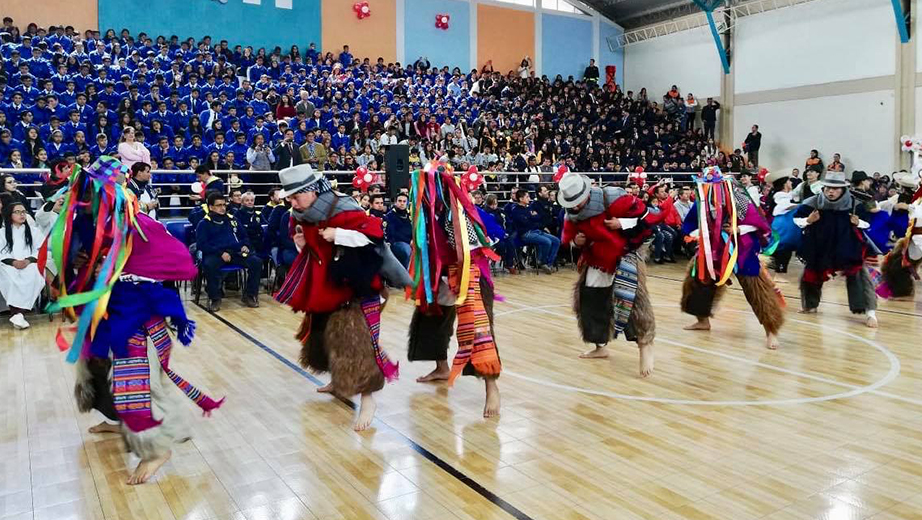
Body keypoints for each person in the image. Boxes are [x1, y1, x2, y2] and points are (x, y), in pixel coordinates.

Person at [45, 156, 222, 485]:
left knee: (141, 384)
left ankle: (157, 447)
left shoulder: (139, 225)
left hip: (136, 316)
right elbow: (72, 257)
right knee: (94, 371)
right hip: (103, 313)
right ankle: (118, 421)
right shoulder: (88, 224)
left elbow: (180, 264)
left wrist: (119, 272)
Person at [274, 164, 406, 431]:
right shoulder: (300, 212)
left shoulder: (343, 207)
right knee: (322, 333)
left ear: (310, 191)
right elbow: (300, 237)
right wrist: (300, 241)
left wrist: (339, 235)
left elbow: (374, 237)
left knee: (356, 341)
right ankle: (336, 379)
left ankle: (368, 398)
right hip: (324, 284)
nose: (291, 201)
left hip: (354, 285)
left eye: (294, 195)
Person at [405, 162, 502, 418]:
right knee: (431, 315)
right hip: (442, 274)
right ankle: (440, 366)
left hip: (470, 273)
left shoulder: (457, 212)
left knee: (478, 326)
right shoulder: (425, 213)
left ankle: (491, 386)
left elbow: (475, 247)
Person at [557, 171, 660, 376]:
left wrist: (621, 223)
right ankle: (599, 344)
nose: (575, 206)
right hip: (596, 258)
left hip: (625, 252)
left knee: (632, 299)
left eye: (578, 201)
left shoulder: (614, 197)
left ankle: (645, 345)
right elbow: (567, 237)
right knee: (590, 299)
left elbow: (648, 217)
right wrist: (575, 242)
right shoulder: (571, 213)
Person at [681, 166, 785, 349]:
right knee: (698, 280)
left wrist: (737, 229)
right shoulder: (702, 201)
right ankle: (702, 320)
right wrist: (697, 234)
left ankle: (771, 330)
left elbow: (758, 223)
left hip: (740, 247)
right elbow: (689, 224)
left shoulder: (739, 199)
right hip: (712, 248)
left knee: (755, 287)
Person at [793, 170, 878, 327]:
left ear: (843, 189)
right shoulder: (813, 202)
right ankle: (810, 305)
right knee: (811, 275)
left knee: (859, 276)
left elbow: (868, 223)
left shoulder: (855, 204)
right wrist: (808, 220)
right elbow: (796, 219)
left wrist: (858, 223)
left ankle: (870, 312)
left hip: (847, 245)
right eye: (827, 188)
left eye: (835, 188)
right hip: (820, 245)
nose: (830, 191)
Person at [195, 191, 262, 310]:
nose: (222, 208)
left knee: (256, 262)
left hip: (235, 252)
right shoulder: (204, 223)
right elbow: (202, 245)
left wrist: (245, 245)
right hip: (216, 254)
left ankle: (250, 295)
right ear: (211, 207)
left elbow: (244, 236)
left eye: (224, 205)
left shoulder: (233, 219)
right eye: (219, 205)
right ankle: (215, 298)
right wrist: (221, 253)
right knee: (209, 265)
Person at [0, 201, 44, 329]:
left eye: (23, 212)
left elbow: (40, 250)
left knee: (35, 275)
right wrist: (13, 262)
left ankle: (18, 314)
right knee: (9, 279)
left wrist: (28, 261)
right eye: (17, 212)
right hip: (8, 264)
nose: (22, 214)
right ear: (9, 215)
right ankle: (18, 314)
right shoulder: (2, 232)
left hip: (30, 263)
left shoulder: (34, 231)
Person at [878, 173, 922, 300]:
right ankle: (900, 290)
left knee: (899, 263)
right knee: (896, 263)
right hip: (909, 237)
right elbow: (884, 204)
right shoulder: (906, 198)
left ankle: (902, 290)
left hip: (916, 237)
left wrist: (908, 207)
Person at [510, 189, 560, 273]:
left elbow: (538, 218)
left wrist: (532, 218)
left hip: (536, 231)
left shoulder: (529, 208)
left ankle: (549, 264)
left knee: (556, 241)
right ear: (521, 199)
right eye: (527, 197)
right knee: (547, 242)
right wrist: (532, 217)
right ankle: (542, 262)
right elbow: (526, 223)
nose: (529, 199)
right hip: (526, 234)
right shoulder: (516, 210)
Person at [384, 192, 412, 268]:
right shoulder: (389, 216)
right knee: (406, 249)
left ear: (407, 203)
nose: (402, 203)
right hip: (396, 243)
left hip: (410, 242)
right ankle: (405, 275)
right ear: (395, 202)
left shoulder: (410, 215)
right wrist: (409, 241)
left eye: (404, 201)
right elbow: (393, 234)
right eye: (399, 201)